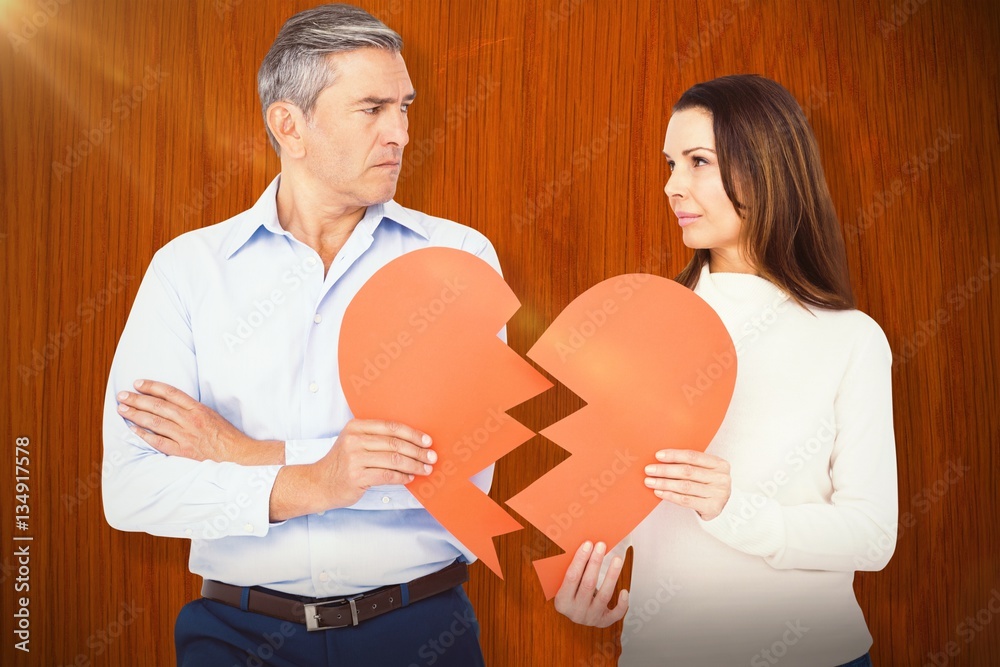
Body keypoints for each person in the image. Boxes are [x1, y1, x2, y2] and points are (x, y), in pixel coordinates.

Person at [102, 5, 494, 665]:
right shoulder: (189, 270)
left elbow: (459, 474)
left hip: (420, 631)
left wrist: (236, 450)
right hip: (235, 635)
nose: (400, 132)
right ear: (290, 124)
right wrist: (316, 478)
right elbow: (132, 487)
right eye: (372, 109)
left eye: (405, 106)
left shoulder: (458, 257)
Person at [554, 74, 897, 667]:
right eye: (670, 163)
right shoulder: (638, 330)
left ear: (766, 168)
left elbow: (871, 535)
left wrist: (734, 508)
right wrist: (585, 580)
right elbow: (615, 498)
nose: (672, 186)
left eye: (698, 162)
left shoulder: (851, 339)